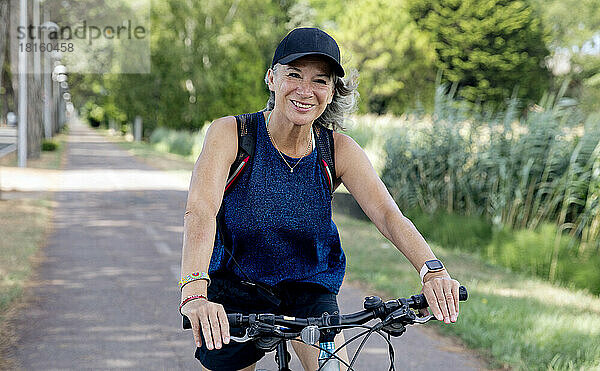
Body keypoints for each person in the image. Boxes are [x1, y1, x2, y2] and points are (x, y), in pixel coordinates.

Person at [180, 27, 461, 371]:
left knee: (334, 369)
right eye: (294, 74)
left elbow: (388, 215)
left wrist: (432, 270)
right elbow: (202, 210)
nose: (305, 90)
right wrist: (194, 291)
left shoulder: (336, 149)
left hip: (309, 292)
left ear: (331, 92)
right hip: (237, 289)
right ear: (271, 79)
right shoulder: (233, 134)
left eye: (320, 80)